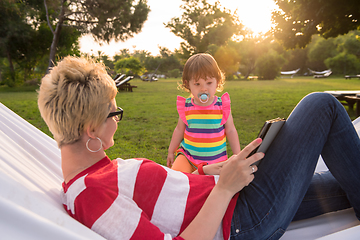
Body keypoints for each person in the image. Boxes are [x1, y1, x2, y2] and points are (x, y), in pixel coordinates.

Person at [37, 56, 360, 240]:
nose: (119, 120)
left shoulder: (99, 170)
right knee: (321, 105)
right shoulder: (90, 194)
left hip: (234, 196)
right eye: (114, 113)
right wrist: (223, 191)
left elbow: (167, 196)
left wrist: (210, 171)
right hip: (241, 220)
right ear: (91, 129)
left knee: (345, 184)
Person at [167, 53, 241, 173]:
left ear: (217, 81)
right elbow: (179, 130)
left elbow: (231, 130)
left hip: (215, 161)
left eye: (209, 83)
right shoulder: (186, 107)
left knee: (210, 187)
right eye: (197, 84)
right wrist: (171, 151)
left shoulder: (222, 106)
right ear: (187, 84)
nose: (203, 89)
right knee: (177, 179)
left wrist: (238, 155)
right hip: (188, 158)